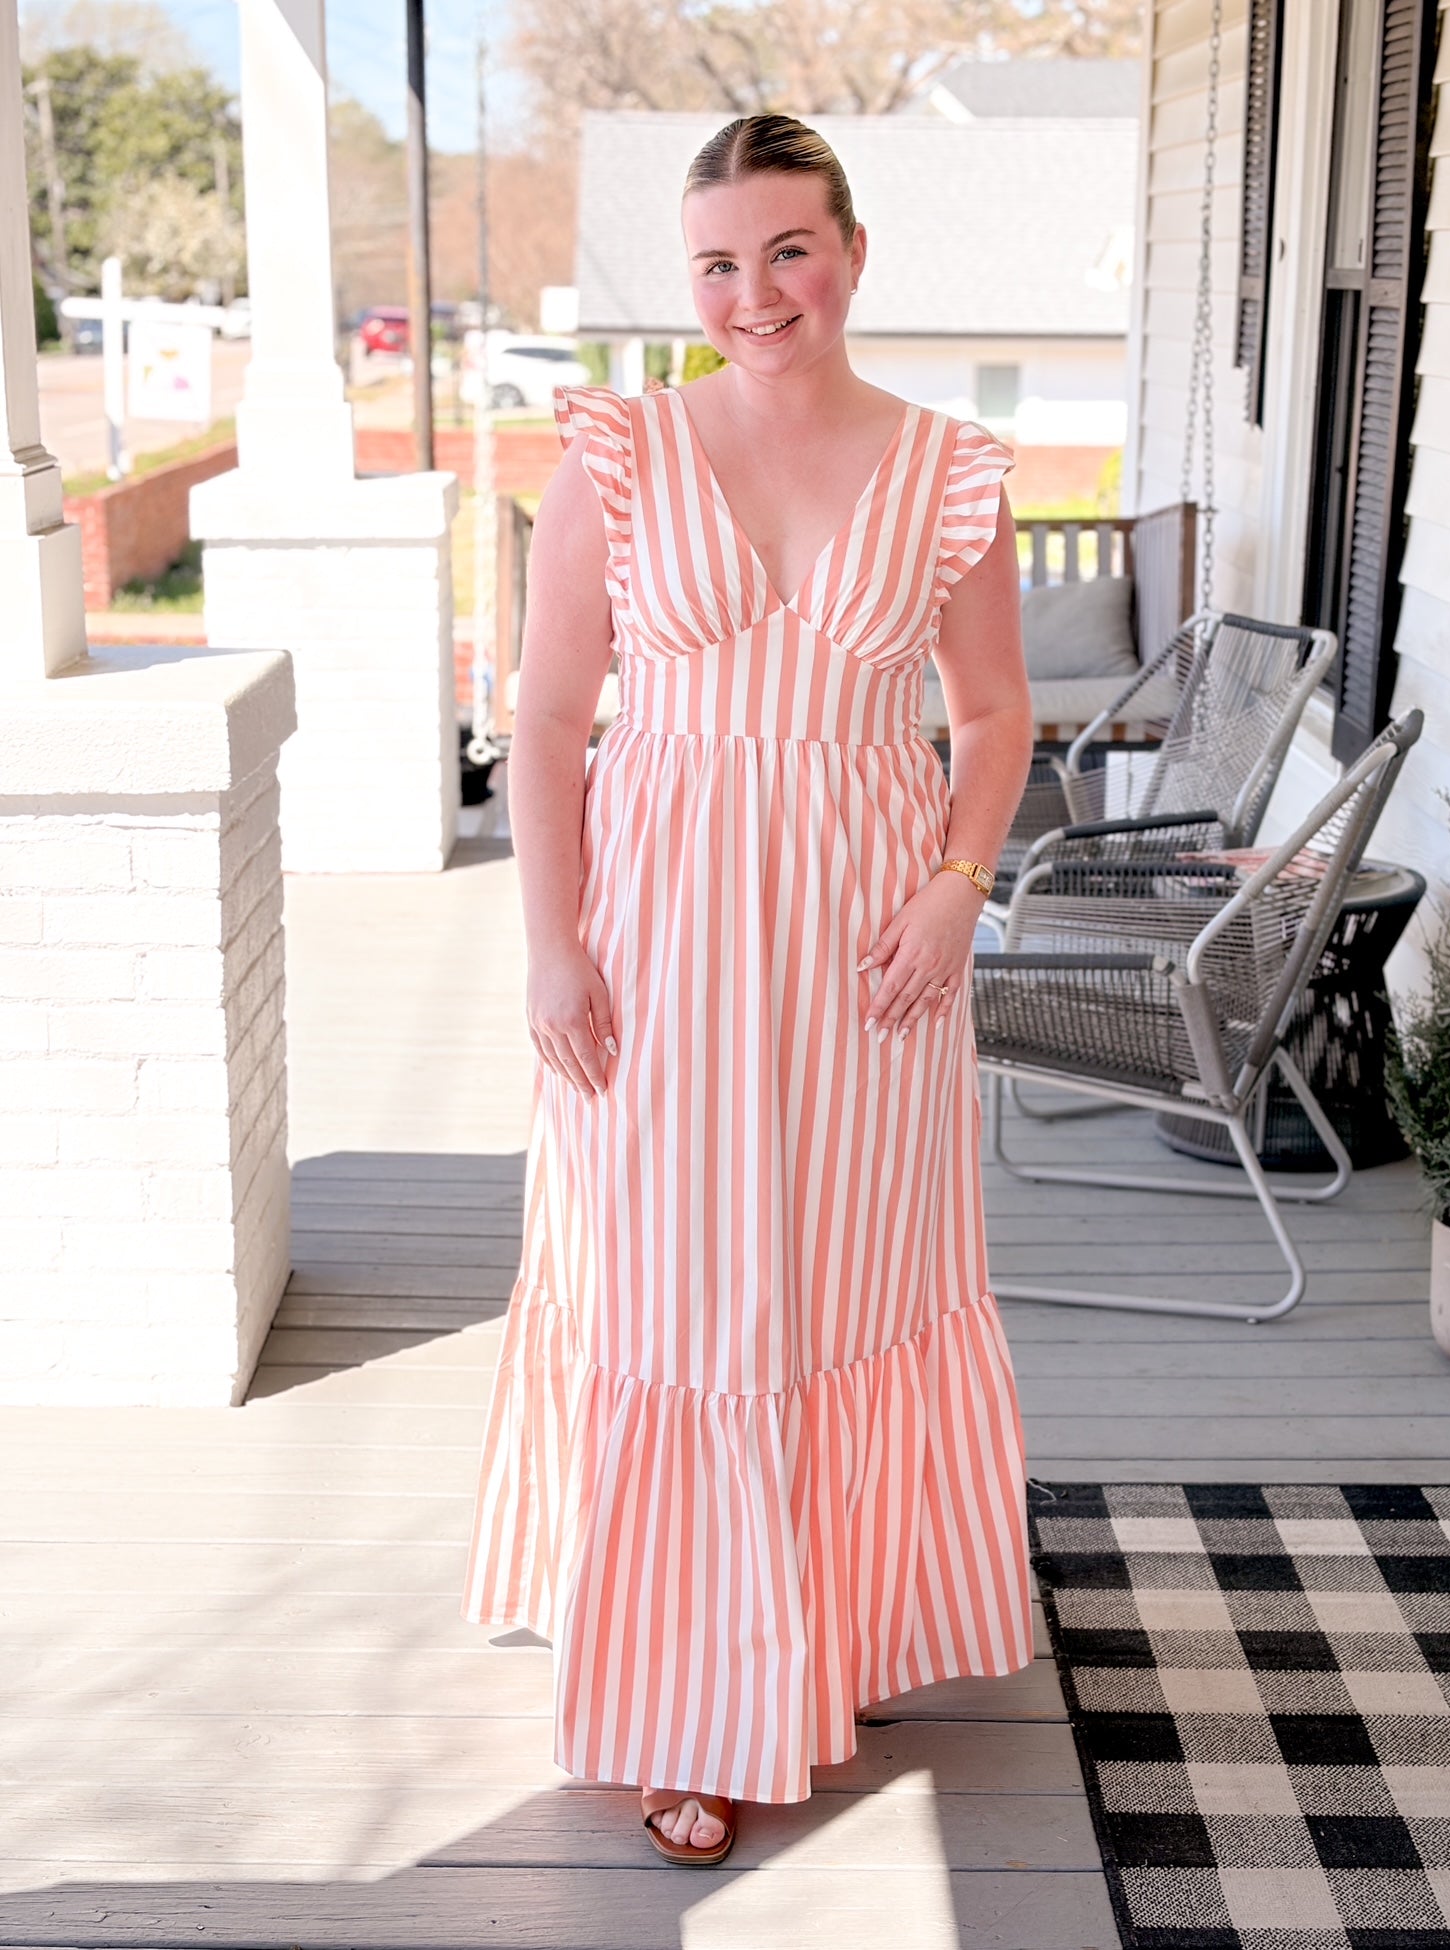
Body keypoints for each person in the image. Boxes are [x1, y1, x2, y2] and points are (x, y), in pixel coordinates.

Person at [460, 111, 1035, 1866]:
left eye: (785, 250)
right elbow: (550, 719)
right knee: (680, 1297)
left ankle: (821, 1631)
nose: (752, 292)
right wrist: (553, 943)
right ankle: (689, 1701)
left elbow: (996, 715)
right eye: (717, 260)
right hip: (657, 937)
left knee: (833, 1281)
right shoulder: (621, 453)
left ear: (850, 256)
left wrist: (957, 888)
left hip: (867, 947)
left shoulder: (945, 466)